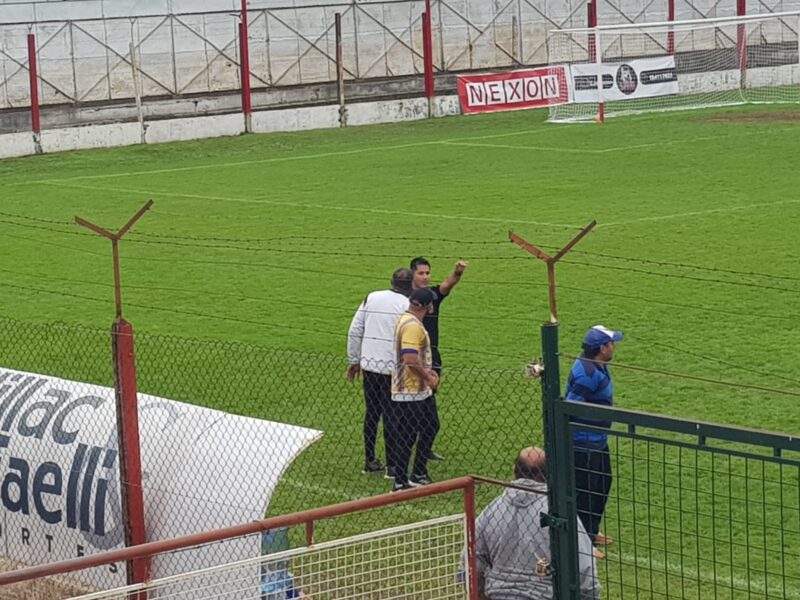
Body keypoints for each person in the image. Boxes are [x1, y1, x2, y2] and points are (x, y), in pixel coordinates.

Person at [459, 447, 600, 600]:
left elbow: (469, 564)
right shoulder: (558, 514)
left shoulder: (493, 509)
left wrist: (480, 594)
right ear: (548, 474)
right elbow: (585, 571)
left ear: (514, 470)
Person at [346, 268, 413, 476]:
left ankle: (370, 459)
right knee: (392, 415)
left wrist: (354, 360)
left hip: (369, 365)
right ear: (410, 285)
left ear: (391, 281)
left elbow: (355, 329)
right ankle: (393, 465)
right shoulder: (406, 305)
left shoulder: (372, 297)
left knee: (372, 413)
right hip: (392, 368)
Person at [566, 324, 623, 559]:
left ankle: (591, 529)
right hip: (584, 444)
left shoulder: (598, 366)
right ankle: (583, 543)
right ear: (602, 348)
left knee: (602, 484)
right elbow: (570, 406)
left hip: (597, 440)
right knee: (587, 493)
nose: (614, 346)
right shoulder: (587, 376)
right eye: (611, 343)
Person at [409, 257, 469, 462]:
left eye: (427, 273)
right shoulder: (405, 299)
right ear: (412, 274)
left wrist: (458, 272)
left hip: (432, 358)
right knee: (417, 412)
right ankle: (410, 452)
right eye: (421, 273)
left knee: (428, 410)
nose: (425, 277)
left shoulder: (433, 295)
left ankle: (423, 449)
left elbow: (448, 284)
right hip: (411, 358)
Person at [390, 287, 439, 491]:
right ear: (428, 306)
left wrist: (428, 372)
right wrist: (428, 377)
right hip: (410, 392)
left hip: (417, 390)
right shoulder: (412, 326)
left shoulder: (407, 320)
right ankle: (401, 481)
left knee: (431, 426)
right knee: (408, 436)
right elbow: (410, 359)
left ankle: (418, 472)